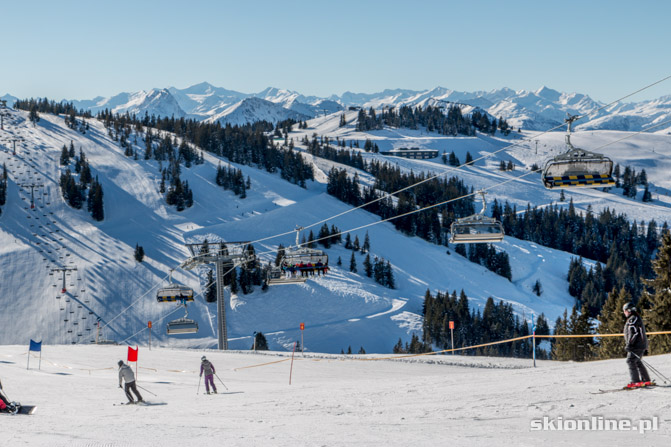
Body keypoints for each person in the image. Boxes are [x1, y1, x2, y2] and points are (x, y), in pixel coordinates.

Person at [623, 303, 652, 388]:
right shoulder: (635, 317)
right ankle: (646, 380)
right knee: (637, 361)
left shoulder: (633, 319)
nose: (624, 313)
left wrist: (629, 344)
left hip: (636, 345)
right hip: (640, 344)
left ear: (629, 310)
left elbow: (634, 333)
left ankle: (636, 382)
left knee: (630, 361)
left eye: (625, 311)